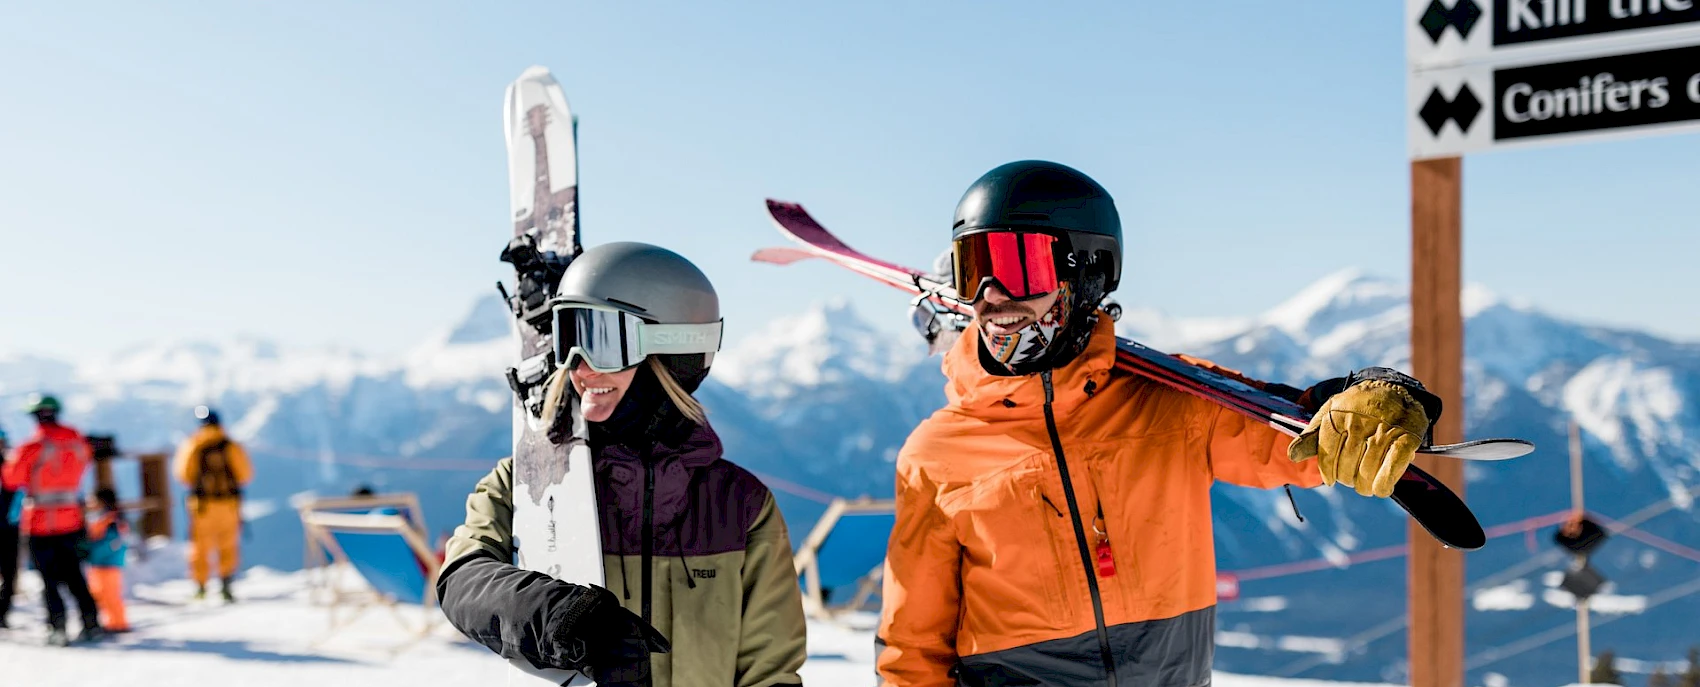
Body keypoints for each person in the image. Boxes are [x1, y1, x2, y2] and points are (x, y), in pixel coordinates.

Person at [876, 161, 1442, 687]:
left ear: (1087, 270)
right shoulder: (935, 453)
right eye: (973, 268)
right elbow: (913, 643)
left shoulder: (1171, 403)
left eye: (1018, 267)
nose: (991, 296)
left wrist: (1378, 396)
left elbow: (1297, 435)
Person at [438, 242, 808, 687]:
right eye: (569, 339)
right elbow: (462, 580)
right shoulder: (525, 480)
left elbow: (771, 672)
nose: (580, 367)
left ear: (673, 349)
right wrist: (557, 614)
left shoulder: (740, 506)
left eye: (601, 341)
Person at [0, 394, 104, 646]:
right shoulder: (77, 441)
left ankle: (57, 626)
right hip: (71, 517)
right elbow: (86, 462)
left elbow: (12, 478)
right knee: (74, 573)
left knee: (48, 578)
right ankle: (91, 621)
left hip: (41, 522)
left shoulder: (32, 447)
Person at [172, 405, 252, 602]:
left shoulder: (193, 445)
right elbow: (245, 474)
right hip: (229, 504)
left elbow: (183, 474)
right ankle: (226, 585)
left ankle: (200, 586)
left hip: (202, 506)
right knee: (228, 544)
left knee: (200, 547)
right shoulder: (231, 445)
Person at [85, 487, 132, 632]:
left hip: (109, 563)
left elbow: (111, 543)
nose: (89, 504)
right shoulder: (100, 518)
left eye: (93, 500)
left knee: (111, 594)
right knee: (99, 594)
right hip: (98, 563)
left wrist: (90, 552)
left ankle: (119, 623)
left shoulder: (112, 521)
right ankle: (111, 622)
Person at [0, 426, 17, 630]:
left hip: (8, 527)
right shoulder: (13, 465)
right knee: (9, 574)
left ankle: (2, 612)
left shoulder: (13, 465)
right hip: (9, 527)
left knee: (9, 574)